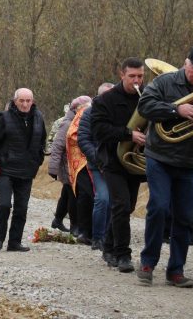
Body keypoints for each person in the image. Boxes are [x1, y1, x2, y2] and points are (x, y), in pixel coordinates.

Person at [136, 45, 193, 288]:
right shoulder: (165, 82)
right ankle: (148, 262)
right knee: (159, 208)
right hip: (160, 157)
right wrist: (176, 109)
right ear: (186, 63)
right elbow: (145, 107)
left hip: (190, 162)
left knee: (185, 217)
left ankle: (176, 270)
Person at [91, 57, 145, 273]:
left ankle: (109, 246)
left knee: (127, 207)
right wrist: (128, 133)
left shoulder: (147, 97)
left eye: (140, 76)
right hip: (112, 161)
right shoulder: (106, 100)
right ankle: (123, 254)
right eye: (132, 76)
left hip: (134, 161)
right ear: (122, 75)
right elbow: (98, 130)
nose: (137, 81)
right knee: (121, 205)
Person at [0, 88, 46, 252]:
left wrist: (37, 161)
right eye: (22, 101)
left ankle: (14, 242)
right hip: (6, 169)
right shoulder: (4, 118)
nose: (25, 104)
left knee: (21, 208)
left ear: (32, 101)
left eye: (28, 101)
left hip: (27, 170)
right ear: (15, 102)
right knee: (4, 204)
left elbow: (42, 141)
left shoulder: (39, 117)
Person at [77, 82, 115, 250]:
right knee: (102, 199)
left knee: (117, 202)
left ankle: (110, 236)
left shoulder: (120, 113)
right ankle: (98, 237)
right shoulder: (88, 114)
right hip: (98, 165)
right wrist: (99, 159)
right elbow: (83, 140)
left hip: (117, 165)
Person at [63, 96, 94, 244]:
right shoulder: (84, 112)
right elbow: (71, 135)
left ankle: (96, 230)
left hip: (99, 160)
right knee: (85, 195)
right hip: (81, 161)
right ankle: (83, 230)